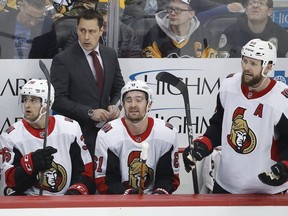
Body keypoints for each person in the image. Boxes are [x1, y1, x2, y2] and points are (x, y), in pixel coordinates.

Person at [183, 38, 288, 194]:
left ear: (268, 67)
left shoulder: (281, 100)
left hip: (266, 190)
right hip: (227, 185)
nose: (246, 68)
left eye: (253, 64)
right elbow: (219, 125)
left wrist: (284, 168)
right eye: (245, 61)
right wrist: (202, 144)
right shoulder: (228, 86)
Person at [50, 9, 125, 159]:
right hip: (77, 135)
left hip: (107, 133)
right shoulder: (63, 60)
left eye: (92, 31)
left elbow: (119, 88)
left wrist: (114, 105)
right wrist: (90, 112)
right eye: (82, 30)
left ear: (101, 30)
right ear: (77, 29)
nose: (86, 36)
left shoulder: (110, 54)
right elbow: (57, 100)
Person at [0, 79, 93, 195]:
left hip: (65, 203)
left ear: (47, 103)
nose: (27, 105)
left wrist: (73, 195)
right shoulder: (11, 136)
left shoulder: (70, 128)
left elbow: (85, 170)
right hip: (29, 205)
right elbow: (8, 184)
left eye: (33, 100)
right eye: (25, 99)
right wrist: (30, 166)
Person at [94, 80, 180, 194]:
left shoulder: (166, 133)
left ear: (149, 104)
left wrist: (160, 193)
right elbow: (105, 180)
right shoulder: (108, 134)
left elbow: (168, 177)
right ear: (123, 105)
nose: (133, 105)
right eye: (128, 100)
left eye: (139, 100)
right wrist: (127, 194)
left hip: (155, 203)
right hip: (119, 204)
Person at [63, 0, 142, 57]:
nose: (105, 19)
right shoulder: (81, 31)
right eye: (103, 13)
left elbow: (133, 62)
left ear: (119, 17)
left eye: (112, 15)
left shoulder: (128, 33)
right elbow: (67, 57)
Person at [142, 0, 218, 58]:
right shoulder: (154, 35)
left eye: (178, 10)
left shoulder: (205, 36)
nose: (172, 13)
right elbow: (152, 71)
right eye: (170, 9)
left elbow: (209, 70)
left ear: (191, 14)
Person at [218, 0, 288, 58]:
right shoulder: (231, 32)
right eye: (251, 3)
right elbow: (223, 63)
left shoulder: (281, 35)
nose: (255, 6)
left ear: (269, 12)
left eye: (261, 3)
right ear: (246, 10)